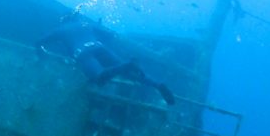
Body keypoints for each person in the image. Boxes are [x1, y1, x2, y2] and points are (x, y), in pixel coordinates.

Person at [36, 11, 175, 104]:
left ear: (64, 21)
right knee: (130, 75)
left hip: (83, 53)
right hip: (100, 47)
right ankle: (158, 85)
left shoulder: (60, 29)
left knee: (99, 78)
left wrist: (41, 54)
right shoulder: (87, 24)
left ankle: (127, 65)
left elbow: (39, 42)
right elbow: (109, 35)